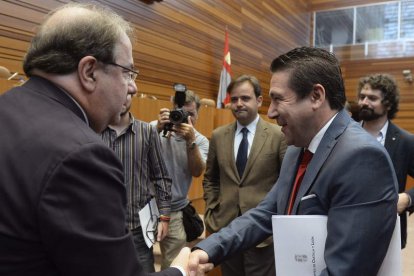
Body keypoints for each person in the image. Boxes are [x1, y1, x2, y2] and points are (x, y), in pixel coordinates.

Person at [0, 3, 196, 275]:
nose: (133, 86)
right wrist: (180, 271)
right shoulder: (81, 155)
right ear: (89, 72)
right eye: (127, 72)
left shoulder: (7, 107)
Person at [188, 46, 398, 276]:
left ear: (316, 96)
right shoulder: (296, 147)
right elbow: (266, 213)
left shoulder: (362, 158)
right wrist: (208, 249)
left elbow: (345, 270)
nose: (272, 112)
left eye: (278, 99)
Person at [203, 74, 286, 276]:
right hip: (226, 228)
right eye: (234, 99)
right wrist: (212, 208)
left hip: (263, 233)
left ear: (259, 100)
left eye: (245, 98)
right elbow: (211, 178)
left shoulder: (278, 135)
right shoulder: (218, 135)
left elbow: (285, 182)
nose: (238, 104)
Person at [101, 91, 173, 272]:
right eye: (117, 92)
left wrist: (164, 216)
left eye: (126, 93)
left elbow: (161, 176)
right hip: (101, 226)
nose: (121, 97)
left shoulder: (147, 131)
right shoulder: (93, 130)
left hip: (138, 228)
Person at [151, 89, 209, 270]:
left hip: (175, 211)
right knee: (140, 261)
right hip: (145, 208)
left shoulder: (199, 141)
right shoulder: (153, 128)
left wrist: (190, 142)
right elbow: (136, 156)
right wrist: (157, 130)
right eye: (180, 112)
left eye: (190, 114)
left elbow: (197, 171)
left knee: (173, 266)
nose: (185, 118)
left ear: (197, 115)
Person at [357, 73, 414, 249]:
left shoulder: (406, 141)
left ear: (388, 103)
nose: (364, 102)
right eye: (362, 97)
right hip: (347, 228)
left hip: (389, 231)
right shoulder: (343, 136)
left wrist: (408, 198)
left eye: (372, 98)